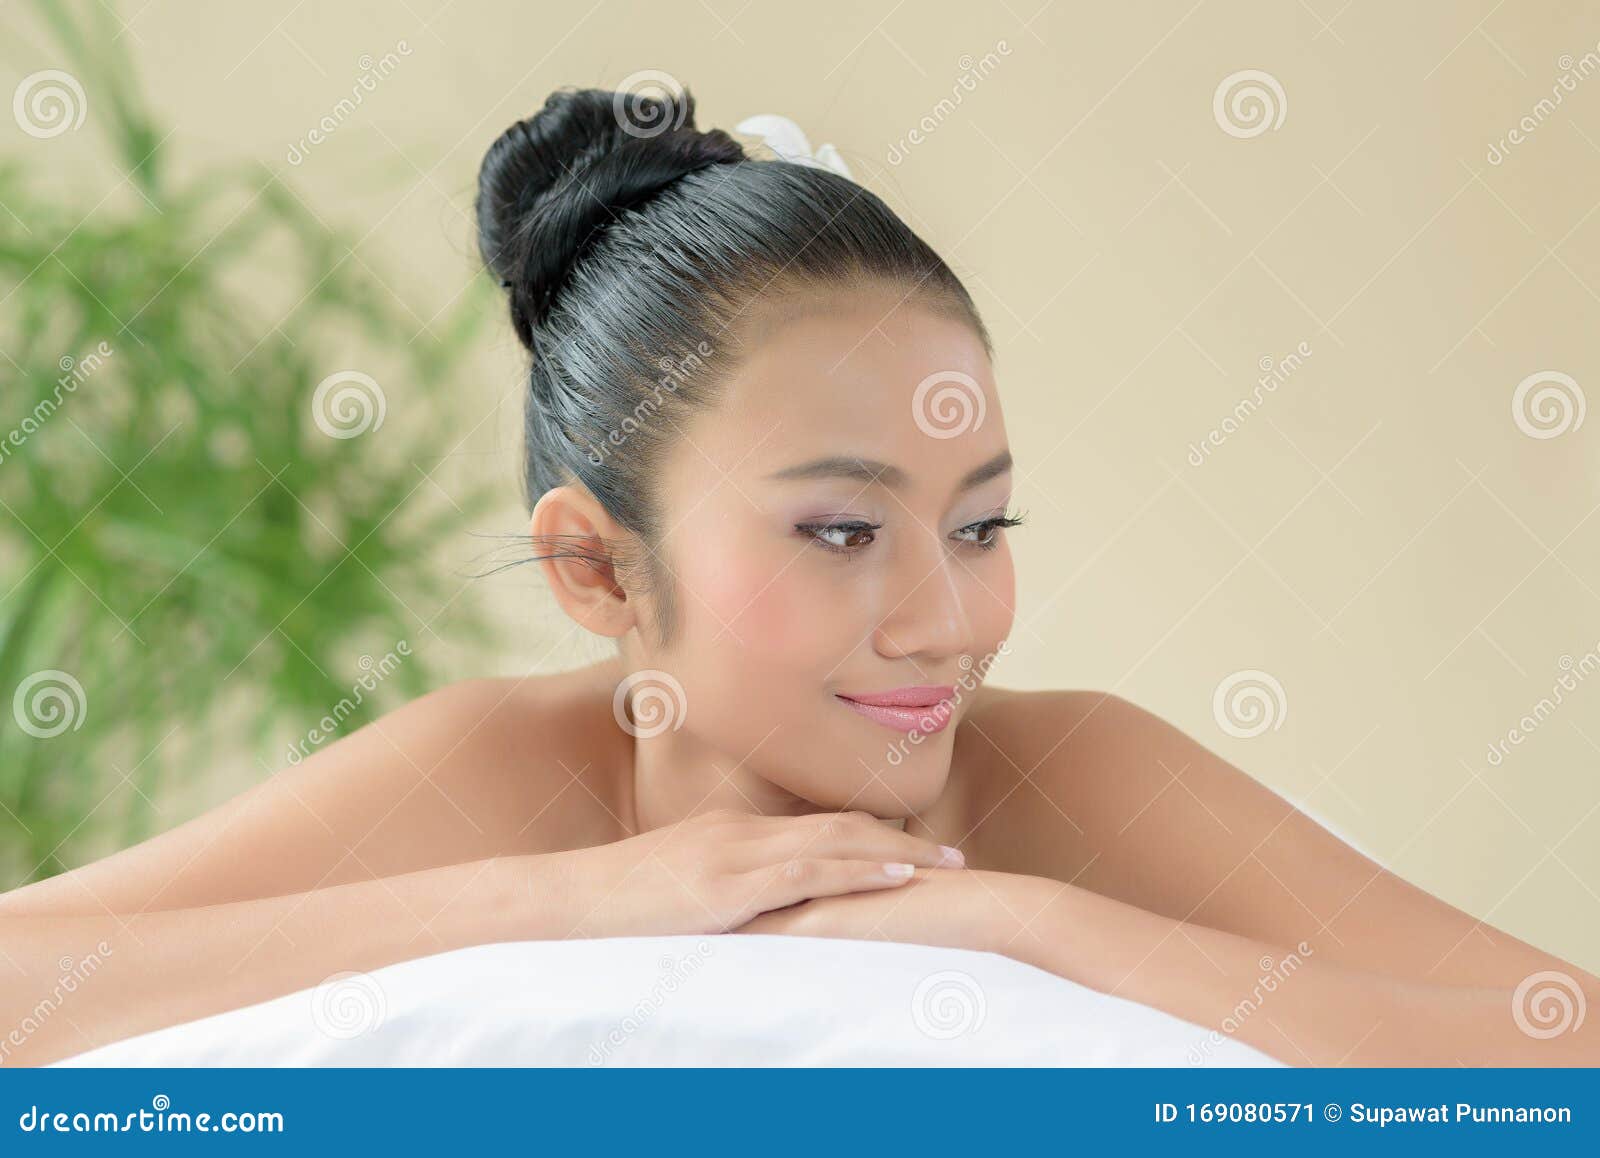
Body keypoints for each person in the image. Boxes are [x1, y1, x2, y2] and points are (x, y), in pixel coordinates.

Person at [2, 87, 1594, 1068]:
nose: (941, 618)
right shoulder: (503, 776)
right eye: (840, 530)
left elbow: (1557, 1042)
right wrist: (573, 900)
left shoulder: (1067, 776)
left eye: (983, 526)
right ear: (597, 568)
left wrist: (1034, 925)